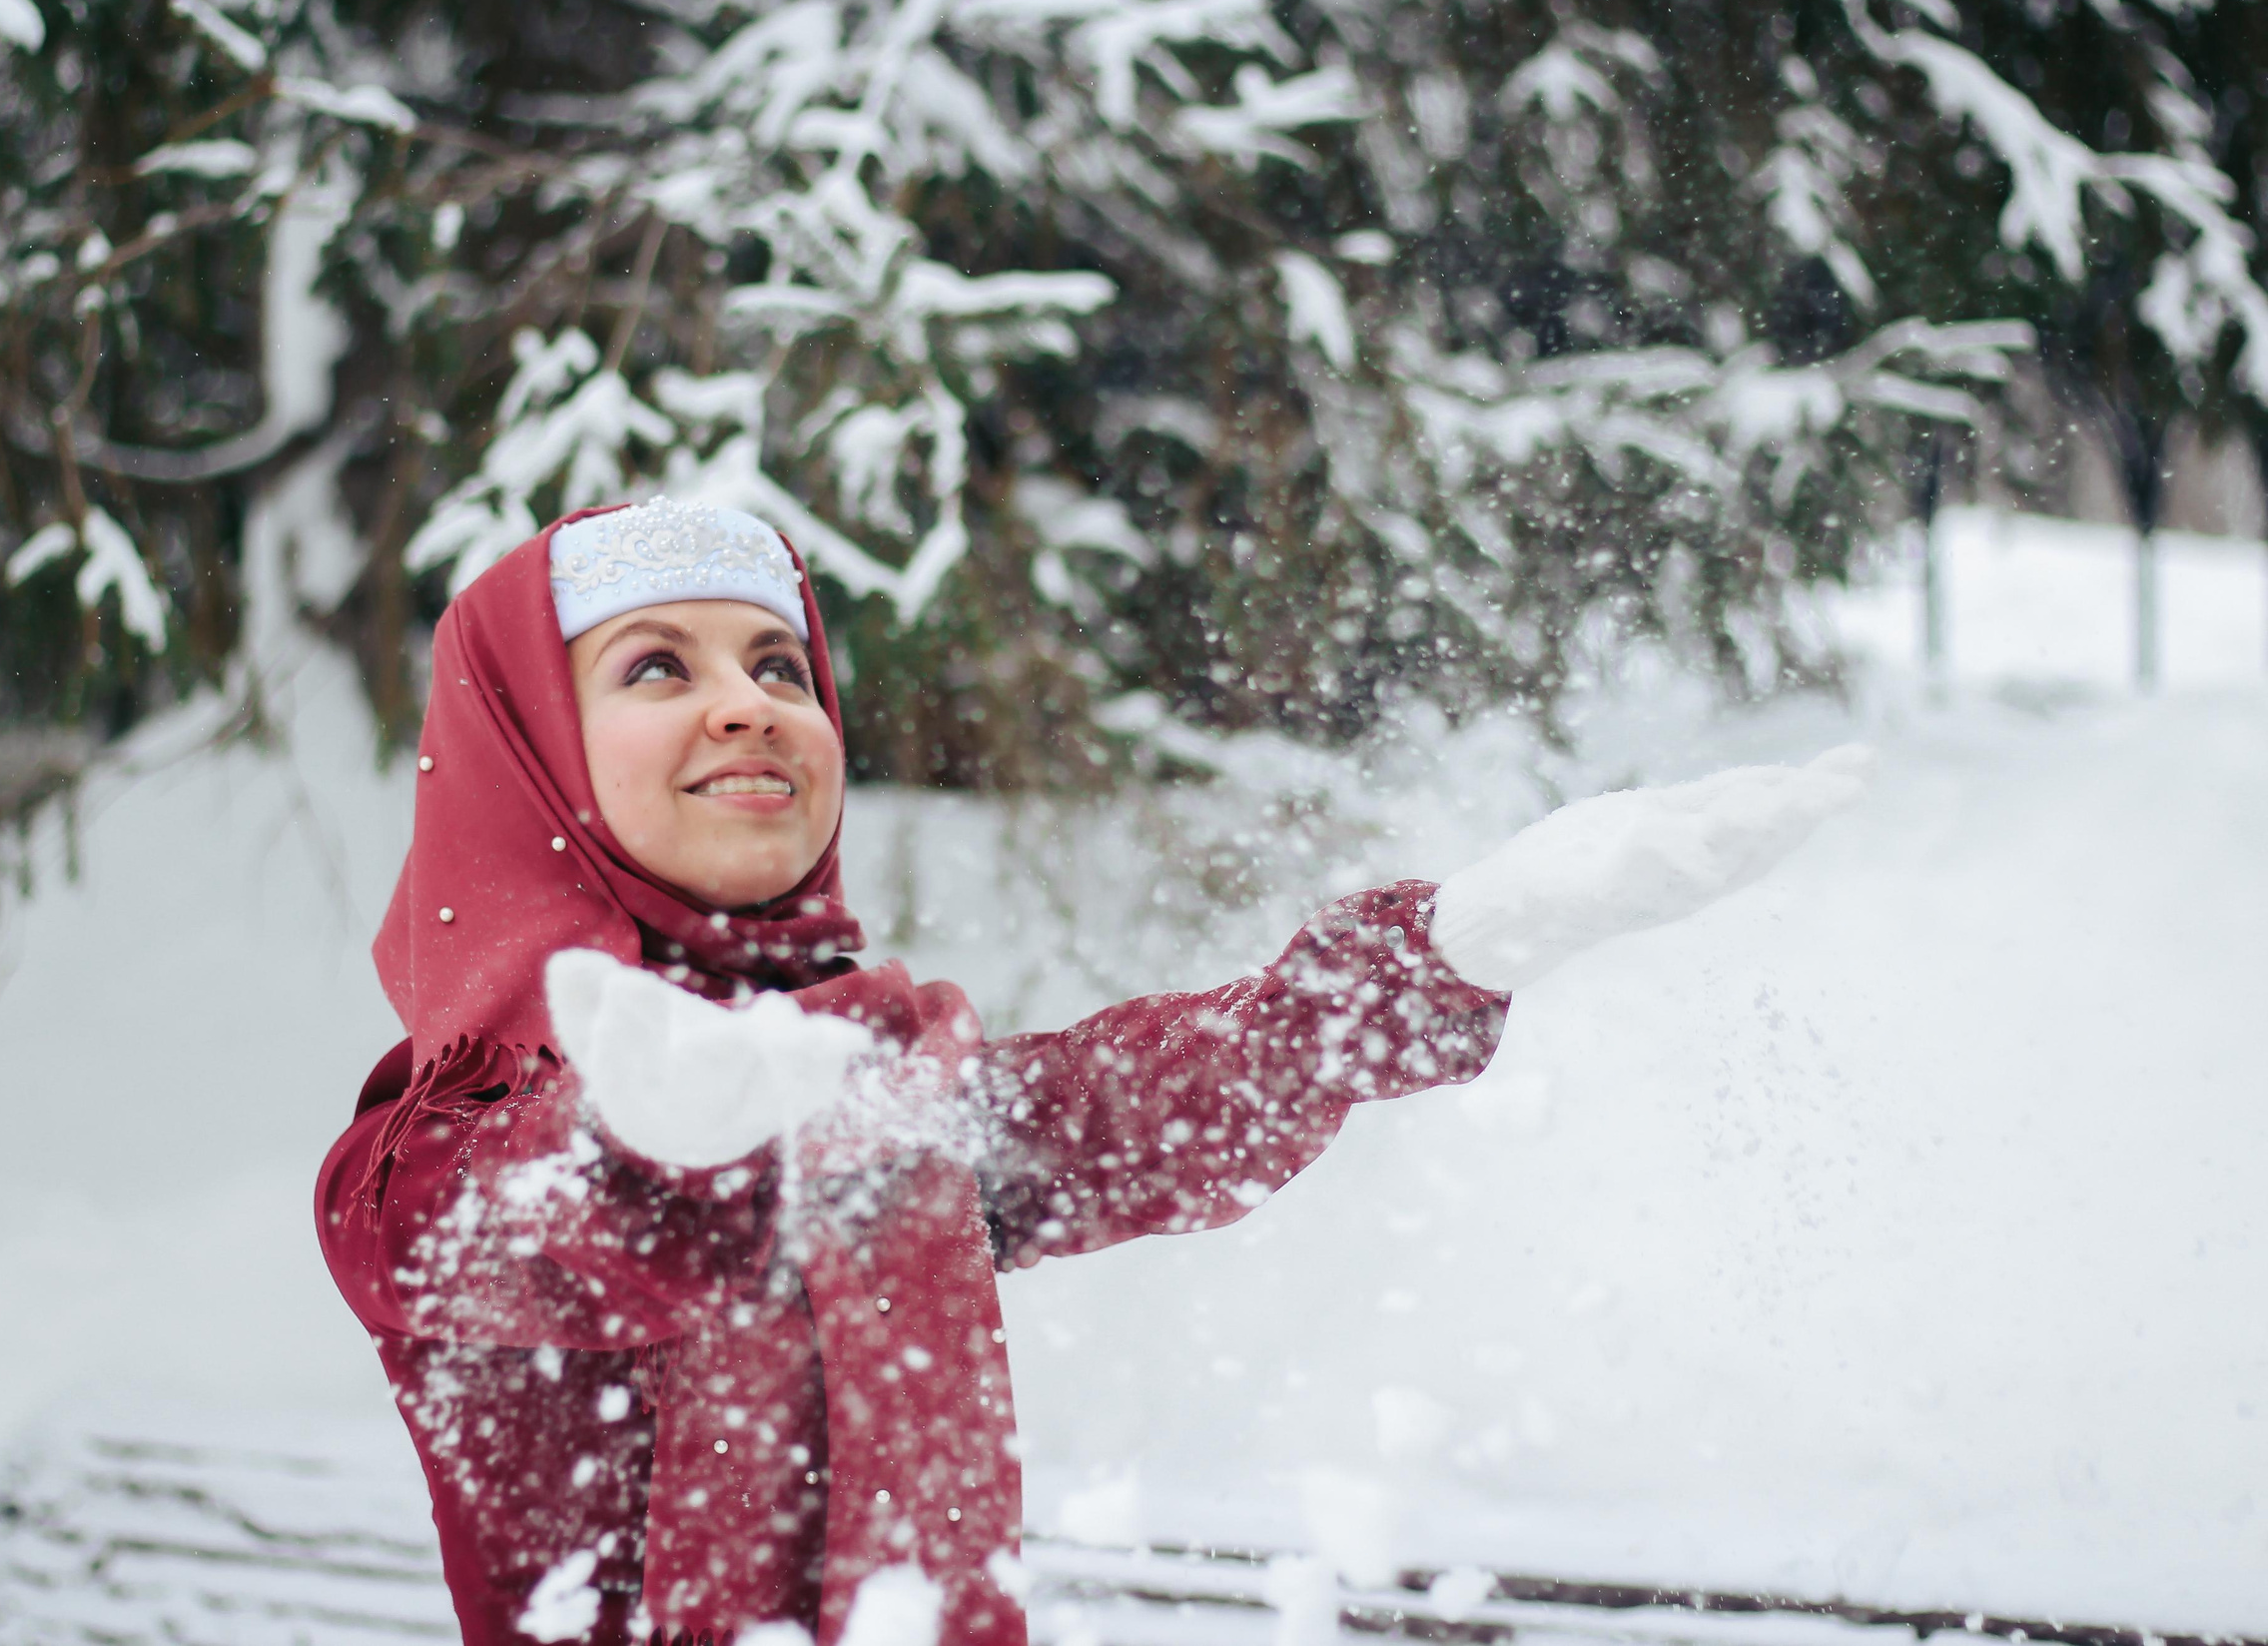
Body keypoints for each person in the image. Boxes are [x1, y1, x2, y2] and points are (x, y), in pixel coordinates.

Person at [315, 498, 1866, 1646]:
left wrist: (1458, 940)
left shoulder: (873, 1083)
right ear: (528, 756)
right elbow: (525, 1234)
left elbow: (1130, 1111)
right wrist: (658, 1145)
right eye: (656, 665)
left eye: (784, 662)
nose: (751, 701)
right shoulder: (419, 1161)